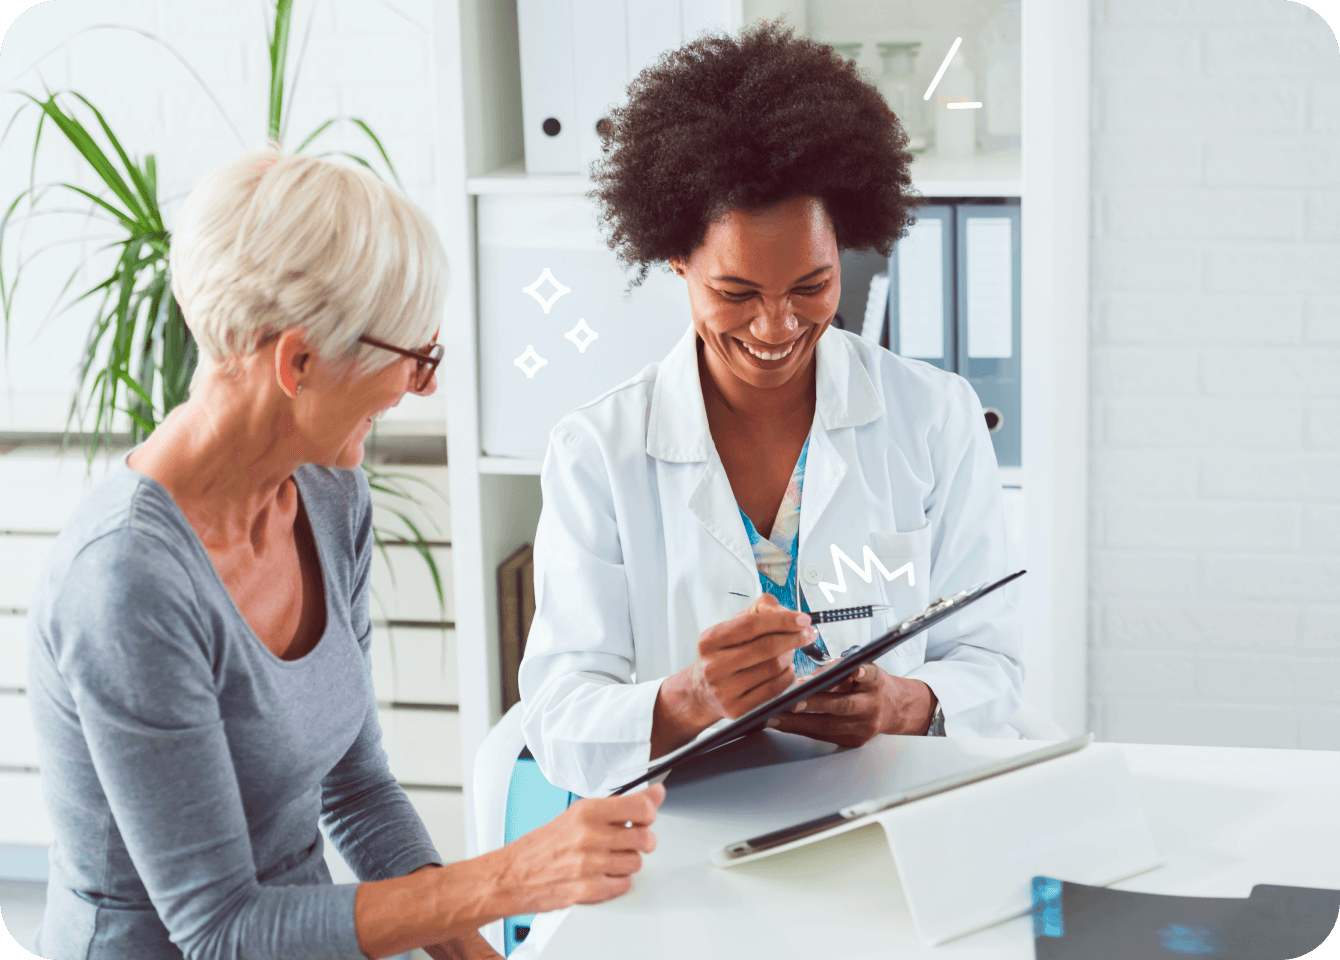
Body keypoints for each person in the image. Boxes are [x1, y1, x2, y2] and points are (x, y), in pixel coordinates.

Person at [26, 145, 663, 960]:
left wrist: (478, 954)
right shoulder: (124, 582)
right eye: (415, 356)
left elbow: (357, 791)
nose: (422, 387)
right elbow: (220, 931)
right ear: (298, 361)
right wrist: (510, 879)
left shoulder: (327, 494)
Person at [519, 21, 1024, 799]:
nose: (777, 327)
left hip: (889, 816)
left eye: (811, 286)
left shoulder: (936, 417)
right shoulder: (598, 450)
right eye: (736, 293)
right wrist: (691, 699)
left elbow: (995, 669)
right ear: (676, 257)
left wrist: (905, 704)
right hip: (685, 836)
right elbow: (557, 719)